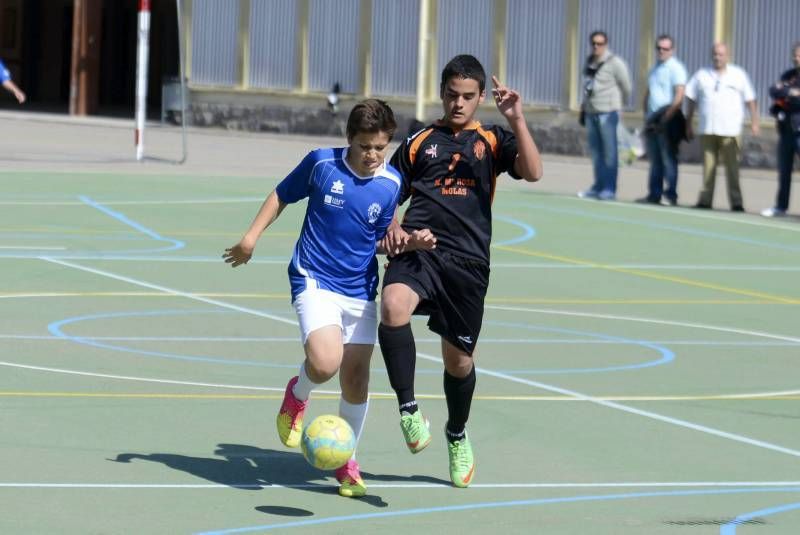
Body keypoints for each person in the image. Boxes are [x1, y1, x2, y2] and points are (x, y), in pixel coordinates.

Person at [222, 99, 436, 498]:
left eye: (380, 147)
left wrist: (409, 242)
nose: (373, 156)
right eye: (365, 147)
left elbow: (377, 239)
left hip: (359, 289)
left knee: (355, 380)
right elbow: (280, 194)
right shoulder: (321, 164)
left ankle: (345, 460)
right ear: (349, 140)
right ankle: (297, 394)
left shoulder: (390, 184)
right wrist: (251, 237)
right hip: (314, 278)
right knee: (324, 363)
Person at [377, 55, 543, 488]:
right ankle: (409, 411)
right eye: (452, 95)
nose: (459, 104)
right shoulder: (419, 139)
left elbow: (534, 171)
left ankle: (456, 432)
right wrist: (393, 226)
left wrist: (518, 118)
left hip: (468, 263)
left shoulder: (492, 139)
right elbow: (383, 195)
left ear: (481, 97)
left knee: (459, 360)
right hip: (419, 250)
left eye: (468, 97)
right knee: (392, 305)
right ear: (441, 92)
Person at [685, 43, 760, 211]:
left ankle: (736, 202)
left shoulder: (738, 75)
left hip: (730, 130)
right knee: (708, 167)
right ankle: (705, 201)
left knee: (732, 169)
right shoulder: (701, 75)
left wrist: (755, 121)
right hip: (708, 129)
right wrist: (688, 122)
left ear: (727, 56)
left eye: (721, 54)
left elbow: (751, 99)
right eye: (715, 54)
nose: (717, 57)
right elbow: (691, 98)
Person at [577, 31, 632, 201]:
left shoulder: (615, 62)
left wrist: (619, 106)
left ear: (605, 45)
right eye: (593, 43)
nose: (596, 46)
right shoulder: (589, 62)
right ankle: (598, 186)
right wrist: (584, 107)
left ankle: (609, 189)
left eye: (599, 44)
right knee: (596, 152)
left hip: (608, 113)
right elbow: (587, 86)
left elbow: (627, 87)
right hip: (591, 112)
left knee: (610, 153)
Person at [637, 34, 687, 206]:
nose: (661, 51)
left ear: (672, 50)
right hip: (652, 119)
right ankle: (654, 194)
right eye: (659, 48)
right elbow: (649, 93)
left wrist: (666, 117)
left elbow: (679, 95)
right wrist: (646, 115)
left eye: (665, 48)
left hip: (667, 118)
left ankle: (670, 195)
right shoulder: (654, 68)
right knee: (655, 159)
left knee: (669, 159)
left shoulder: (676, 68)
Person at [762, 42, 800, 218]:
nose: (796, 58)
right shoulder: (789, 75)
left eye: (799, 55)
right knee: (784, 171)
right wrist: (791, 92)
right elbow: (774, 90)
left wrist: (788, 93)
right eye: (795, 55)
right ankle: (781, 206)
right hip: (786, 131)